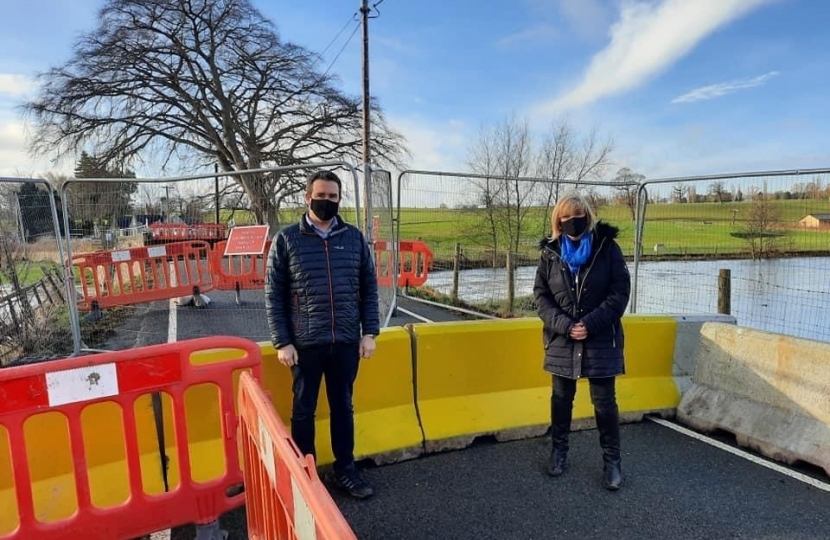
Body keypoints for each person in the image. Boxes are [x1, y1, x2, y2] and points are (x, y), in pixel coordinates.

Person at [265, 170, 380, 499]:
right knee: (304, 410)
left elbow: (369, 289)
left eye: (333, 197)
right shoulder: (287, 239)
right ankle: (306, 474)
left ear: (339, 199)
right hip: (305, 344)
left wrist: (369, 332)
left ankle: (346, 469)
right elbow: (274, 294)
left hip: (345, 341)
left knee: (343, 406)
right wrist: (283, 341)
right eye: (321, 195)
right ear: (307, 197)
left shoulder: (354, 238)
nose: (326, 201)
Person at [533, 190, 631, 491]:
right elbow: (541, 297)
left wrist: (589, 324)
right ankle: (558, 452)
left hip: (601, 339)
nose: (572, 223)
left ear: (587, 217)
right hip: (562, 339)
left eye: (578, 218)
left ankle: (612, 462)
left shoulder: (607, 247)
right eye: (566, 219)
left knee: (604, 403)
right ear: (558, 222)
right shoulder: (550, 253)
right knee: (561, 400)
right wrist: (565, 326)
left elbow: (619, 293)